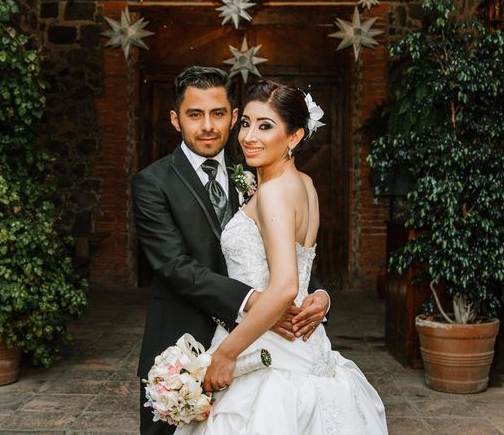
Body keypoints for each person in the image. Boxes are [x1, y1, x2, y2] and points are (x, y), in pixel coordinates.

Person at [176, 80, 388, 435]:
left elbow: (286, 285)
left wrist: (226, 354)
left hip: (268, 350)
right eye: (245, 123)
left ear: (294, 137)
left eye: (265, 126)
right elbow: (301, 270)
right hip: (306, 343)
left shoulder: (273, 193)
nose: (248, 136)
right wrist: (320, 294)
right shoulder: (304, 184)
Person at [132, 67, 332, 435]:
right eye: (195, 114)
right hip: (184, 344)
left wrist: (318, 293)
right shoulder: (152, 183)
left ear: (233, 116)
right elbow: (174, 265)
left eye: (219, 114)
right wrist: (256, 301)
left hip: (264, 348)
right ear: (176, 120)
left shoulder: (257, 167)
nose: (208, 126)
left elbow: (281, 249)